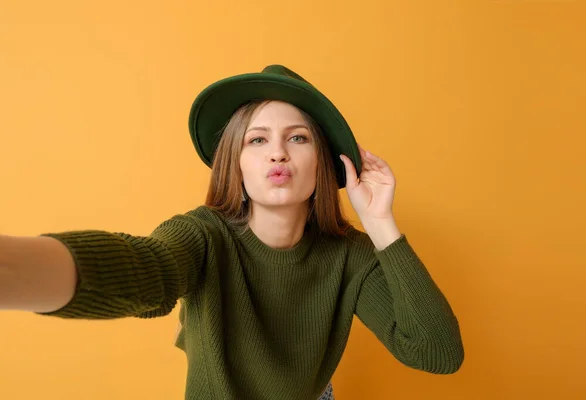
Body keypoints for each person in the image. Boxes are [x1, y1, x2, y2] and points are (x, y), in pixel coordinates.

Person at [0, 65, 464, 400]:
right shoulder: (202, 237)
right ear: (235, 164)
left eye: (298, 138)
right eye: (257, 140)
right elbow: (147, 269)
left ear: (324, 163)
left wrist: (380, 223)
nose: (277, 154)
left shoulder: (351, 255)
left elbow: (436, 352)